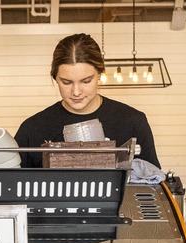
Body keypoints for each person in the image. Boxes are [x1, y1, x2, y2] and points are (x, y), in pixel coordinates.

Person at [15, 33, 161, 169]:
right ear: (55, 78)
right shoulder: (32, 129)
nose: (76, 92)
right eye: (66, 82)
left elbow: (154, 183)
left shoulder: (133, 122)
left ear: (99, 74)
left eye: (86, 81)